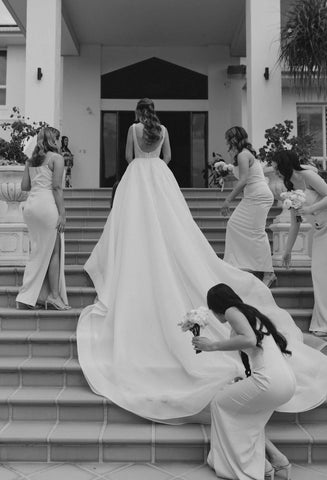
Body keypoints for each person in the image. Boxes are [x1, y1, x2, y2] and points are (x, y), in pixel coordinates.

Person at [77, 98, 327, 423]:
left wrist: (140, 156)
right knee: (171, 225)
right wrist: (155, 157)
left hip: (137, 176)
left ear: (138, 113)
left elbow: (127, 158)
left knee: (132, 223)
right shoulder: (163, 129)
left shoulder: (133, 129)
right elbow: (167, 158)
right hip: (160, 176)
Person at [192, 284, 295, 480]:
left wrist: (212, 345)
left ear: (216, 306)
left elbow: (249, 340)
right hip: (284, 381)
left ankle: (254, 467)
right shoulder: (249, 314)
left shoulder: (232, 311)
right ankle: (277, 462)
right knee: (248, 420)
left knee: (219, 403)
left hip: (270, 381)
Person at [272, 150, 327, 337]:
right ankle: (324, 323)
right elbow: (295, 223)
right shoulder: (289, 188)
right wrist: (287, 251)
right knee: (319, 276)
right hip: (319, 232)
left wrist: (311, 208)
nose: (274, 169)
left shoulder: (307, 175)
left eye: (276, 165)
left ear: (285, 164)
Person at [16, 127, 70, 311]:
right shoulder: (57, 159)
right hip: (47, 206)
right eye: (58, 138)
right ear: (53, 140)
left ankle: (29, 296)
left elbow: (25, 186)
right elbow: (56, 188)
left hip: (31, 207)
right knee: (55, 250)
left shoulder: (31, 160)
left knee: (38, 251)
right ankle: (54, 297)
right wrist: (62, 214)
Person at [222, 127, 276, 287]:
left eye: (228, 139)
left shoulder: (243, 154)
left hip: (258, 196)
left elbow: (245, 179)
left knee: (257, 232)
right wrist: (226, 176)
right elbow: (246, 177)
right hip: (253, 196)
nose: (226, 142)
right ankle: (243, 265)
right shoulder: (243, 154)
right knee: (235, 225)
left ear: (233, 139)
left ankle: (269, 272)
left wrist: (228, 200)